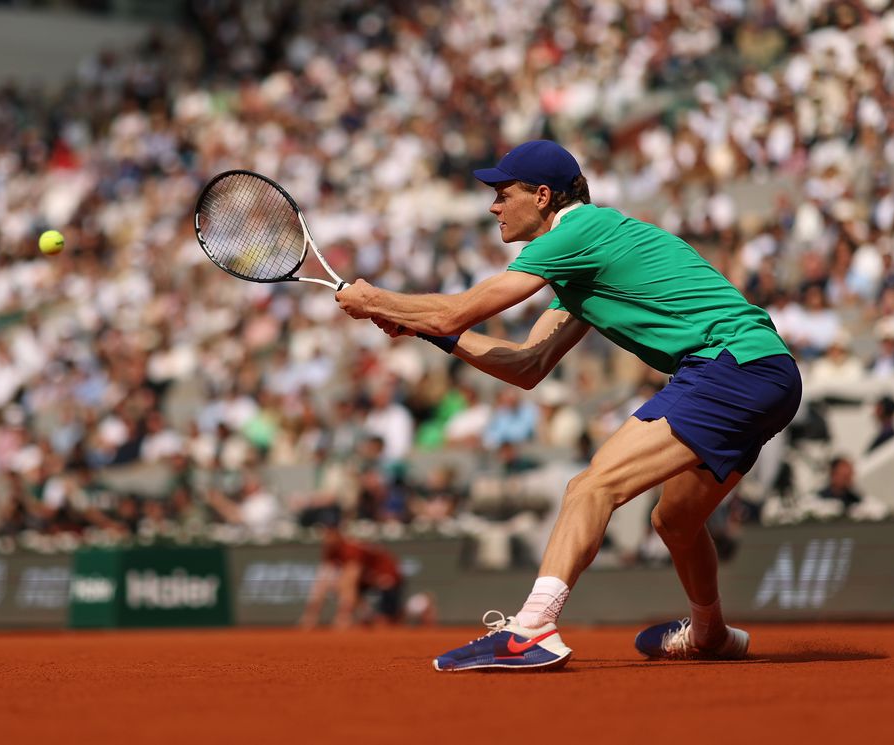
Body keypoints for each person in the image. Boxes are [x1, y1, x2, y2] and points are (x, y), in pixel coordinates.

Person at [335, 140, 802, 670]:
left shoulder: (576, 233)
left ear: (541, 196)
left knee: (590, 486)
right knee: (674, 522)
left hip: (730, 367)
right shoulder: (587, 256)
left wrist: (375, 300)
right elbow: (526, 365)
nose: (492, 207)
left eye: (501, 193)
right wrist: (431, 333)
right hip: (765, 373)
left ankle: (532, 630)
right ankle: (711, 633)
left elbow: (456, 311)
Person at [299, 524, 404, 629]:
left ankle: (345, 618)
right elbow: (323, 576)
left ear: (337, 535)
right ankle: (311, 618)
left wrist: (338, 590)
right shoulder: (331, 549)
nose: (326, 539)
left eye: (329, 535)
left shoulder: (351, 548)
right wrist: (312, 610)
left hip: (387, 576)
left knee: (384, 623)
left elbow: (351, 577)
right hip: (367, 577)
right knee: (325, 584)